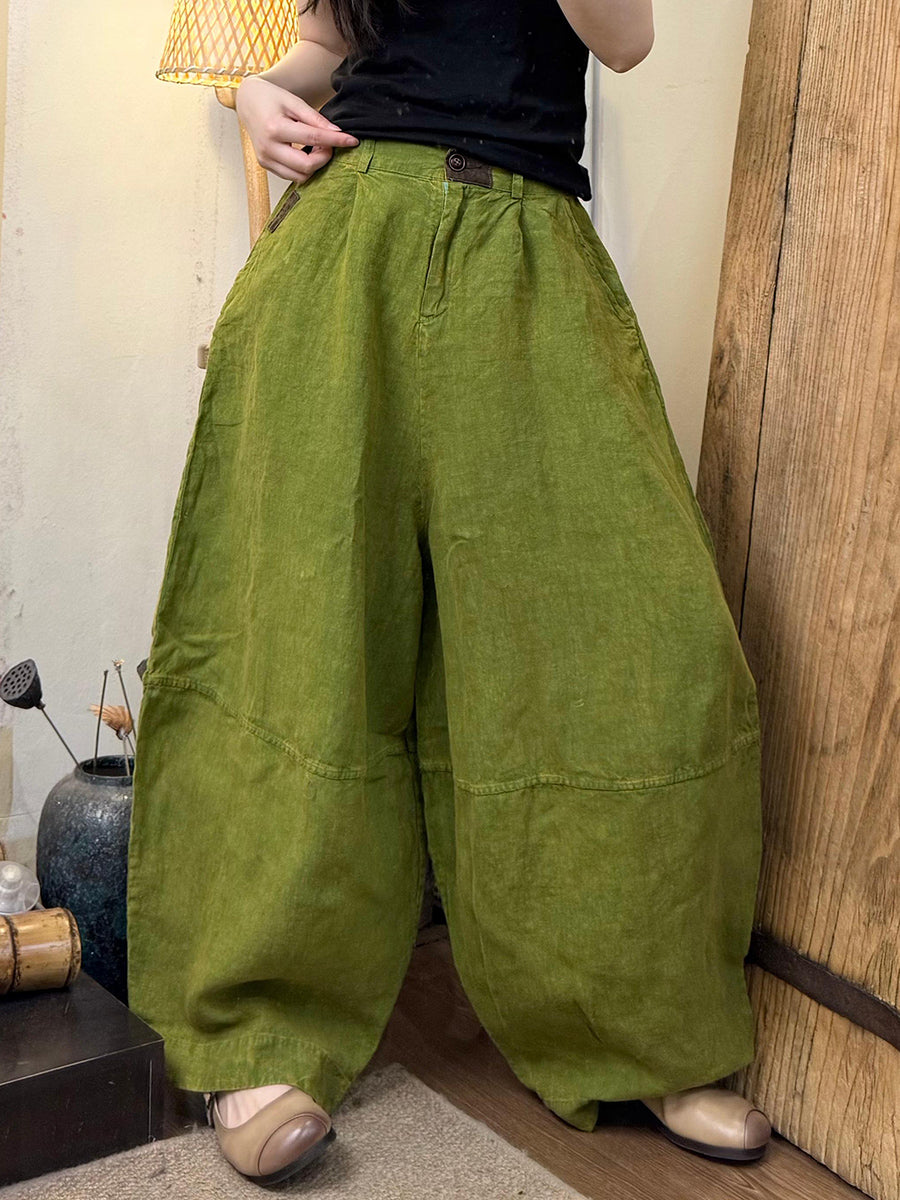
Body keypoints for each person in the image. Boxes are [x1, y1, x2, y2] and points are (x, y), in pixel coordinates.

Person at [125, 0, 773, 1187]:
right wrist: (261, 93)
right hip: (348, 248)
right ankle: (262, 1042)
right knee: (302, 640)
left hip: (530, 250)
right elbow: (332, 42)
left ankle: (639, 1029)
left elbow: (624, 40)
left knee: (633, 648)